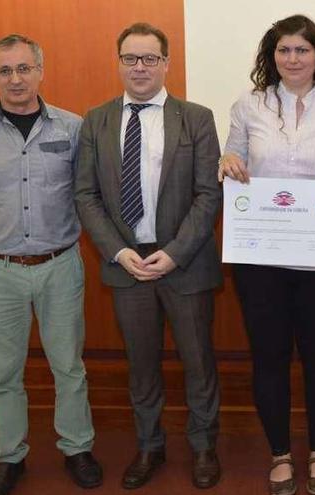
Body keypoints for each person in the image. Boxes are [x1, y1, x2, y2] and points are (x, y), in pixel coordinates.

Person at [217, 14, 315, 495]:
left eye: (302, 50)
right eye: (284, 50)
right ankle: (280, 453)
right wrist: (230, 162)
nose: (293, 58)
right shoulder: (248, 105)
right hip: (260, 259)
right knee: (269, 356)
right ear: (271, 56)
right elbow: (231, 160)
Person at [0, 34, 102, 495]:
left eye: (23, 68)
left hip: (60, 265)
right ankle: (10, 456)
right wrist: (0, 238)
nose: (15, 79)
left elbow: (85, 194)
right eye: (4, 70)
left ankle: (77, 447)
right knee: (3, 372)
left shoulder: (73, 128)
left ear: (40, 70)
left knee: (68, 365)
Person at [74, 22, 223, 489]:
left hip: (185, 264)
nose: (140, 68)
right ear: (118, 63)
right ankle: (149, 446)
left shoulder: (196, 117)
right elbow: (85, 195)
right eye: (130, 59)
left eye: (150, 58)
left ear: (166, 63)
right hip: (127, 266)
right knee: (141, 366)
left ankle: (203, 447)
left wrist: (175, 253)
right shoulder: (95, 119)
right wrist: (118, 252)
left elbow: (207, 194)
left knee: (198, 363)